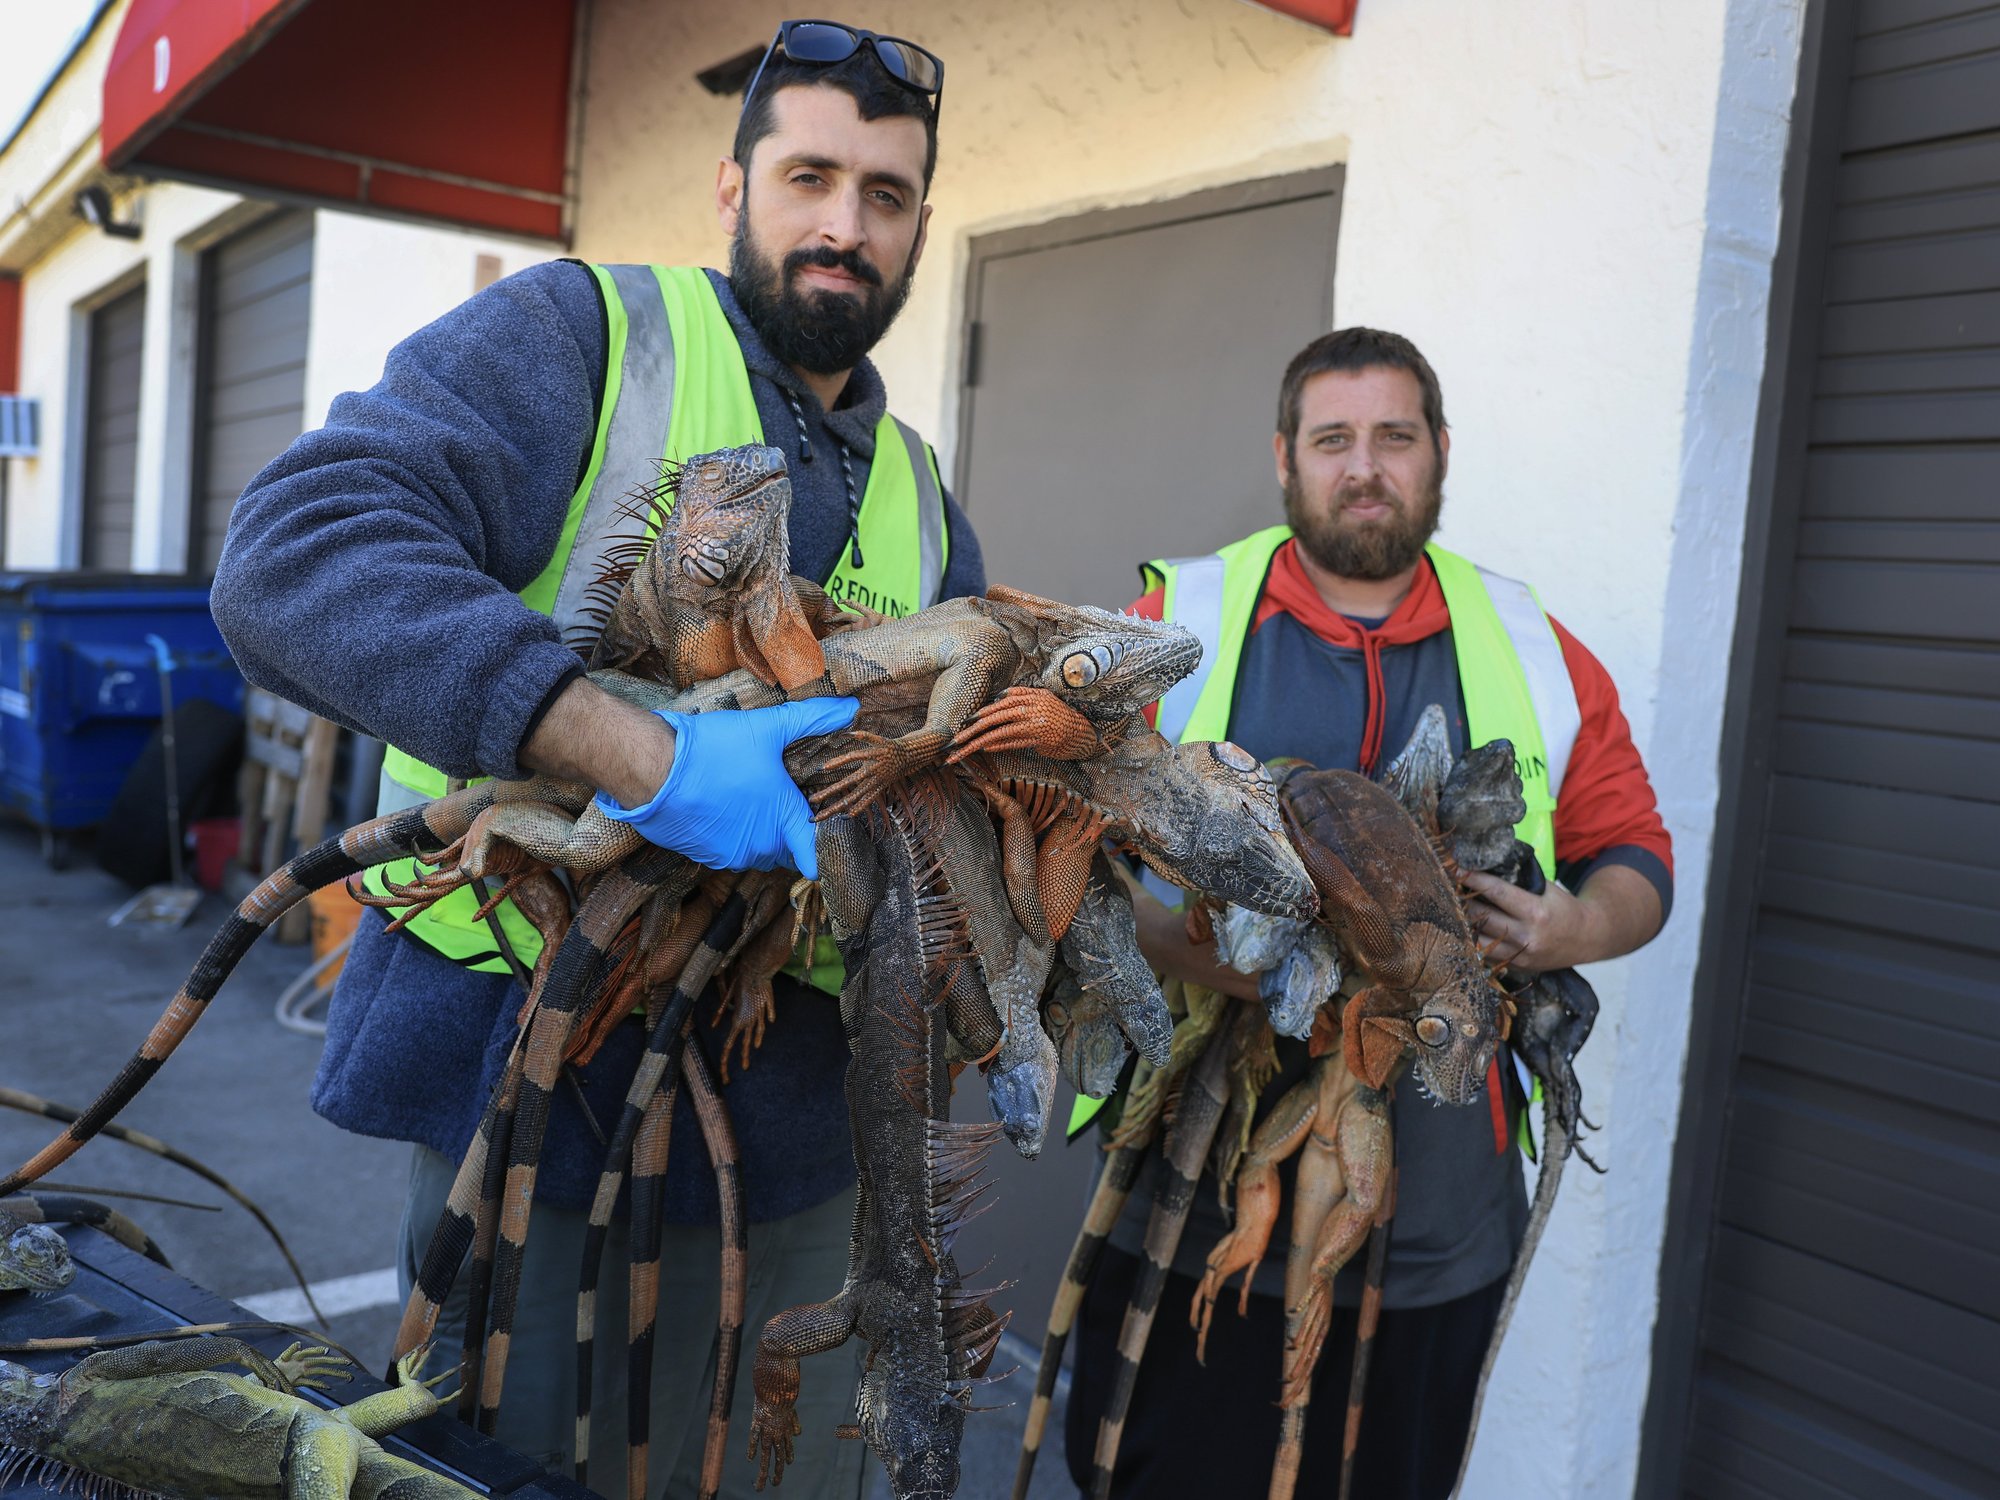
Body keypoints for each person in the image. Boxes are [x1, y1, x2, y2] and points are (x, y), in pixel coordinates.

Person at [211, 21, 980, 1498]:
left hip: (808, 1146)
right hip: (544, 1116)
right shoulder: (591, 338)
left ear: (919, 227)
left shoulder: (923, 495)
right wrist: (649, 761)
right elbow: (291, 559)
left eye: (885, 195)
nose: (845, 224)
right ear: (731, 188)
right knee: (514, 1473)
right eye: (809, 177)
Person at [1062, 328, 1671, 1500]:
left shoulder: (1534, 648)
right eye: (1332, 439)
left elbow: (1635, 852)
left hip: (1435, 1222)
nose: (1363, 467)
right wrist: (1174, 936)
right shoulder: (1174, 619)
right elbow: (1059, 831)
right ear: (1282, 456)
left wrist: (1572, 930)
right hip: (1194, 1196)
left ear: (1438, 452)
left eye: (1393, 437)